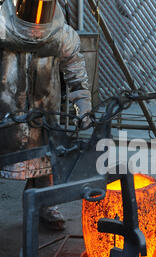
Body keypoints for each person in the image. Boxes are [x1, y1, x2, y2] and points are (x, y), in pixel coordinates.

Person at [0, 0, 92, 230]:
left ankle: (45, 204)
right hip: (7, 108)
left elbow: (75, 70)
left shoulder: (60, 34)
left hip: (45, 106)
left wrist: (83, 105)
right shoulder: (2, 27)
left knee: (45, 155)